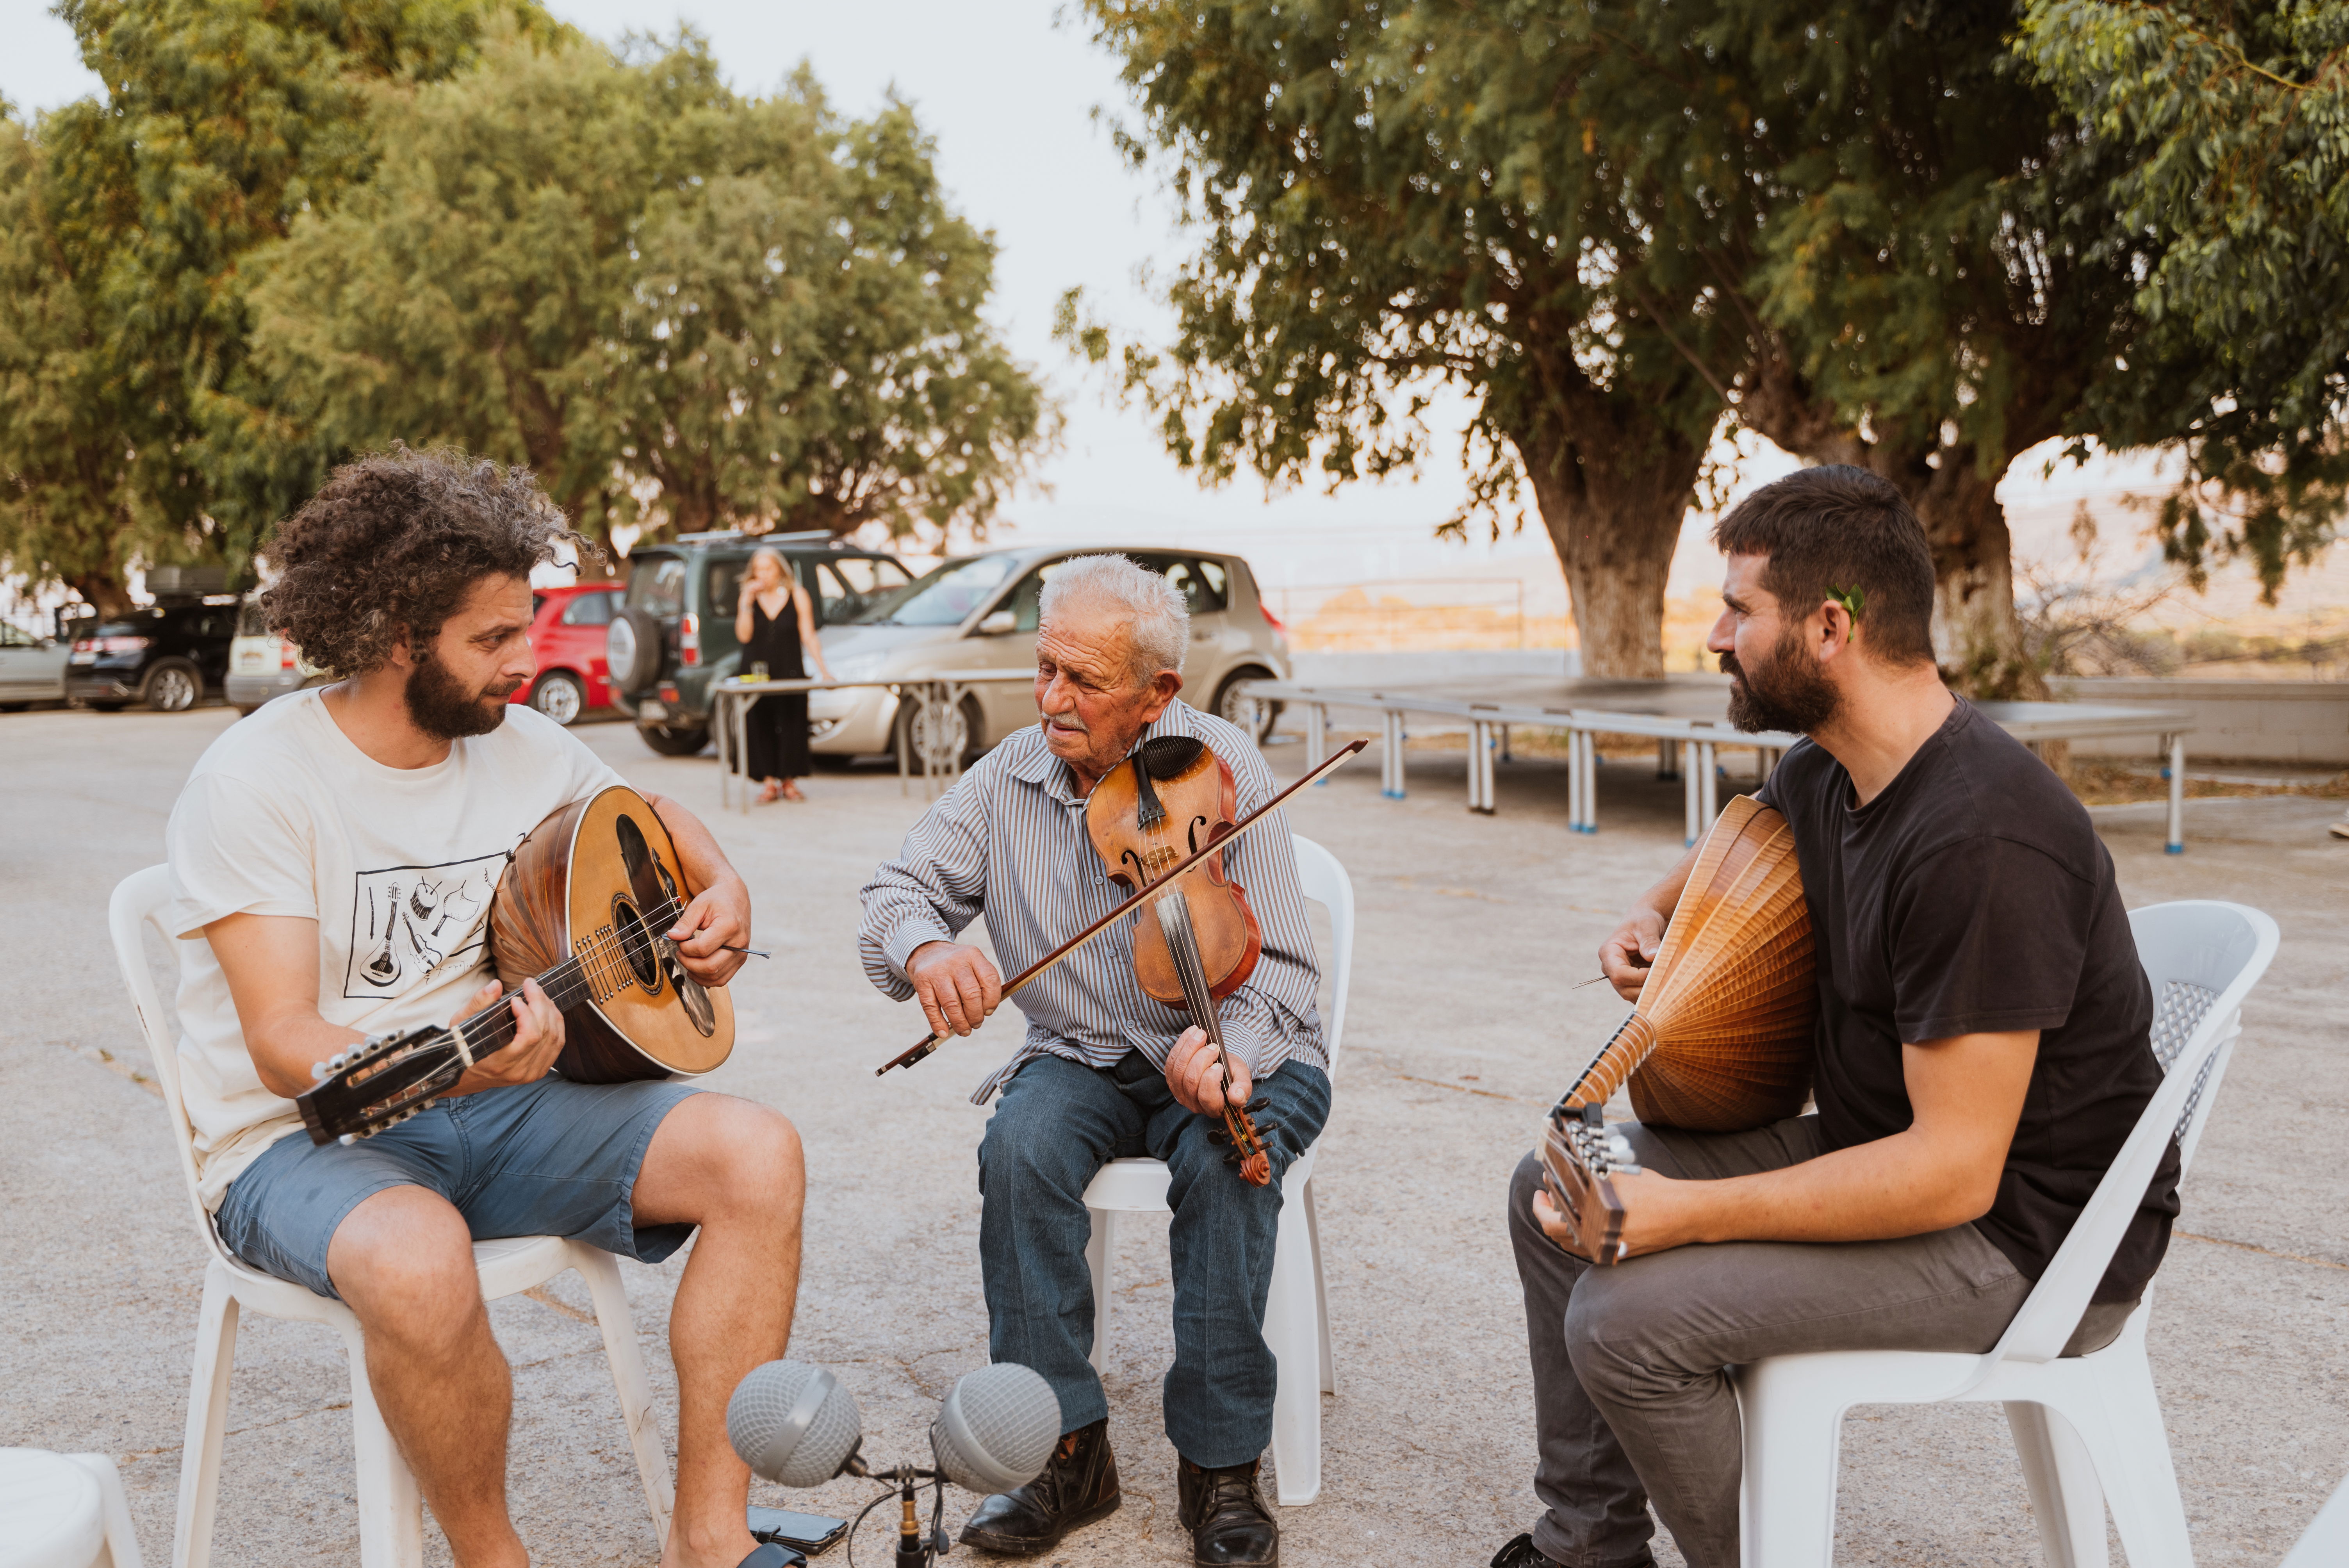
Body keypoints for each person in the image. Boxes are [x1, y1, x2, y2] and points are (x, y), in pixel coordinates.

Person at [1492, 465, 2178, 1568]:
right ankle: (1593, 1549)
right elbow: (1743, 831)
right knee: (1550, 1188)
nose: (1715, 635)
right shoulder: (1833, 768)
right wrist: (1648, 913)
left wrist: (1689, 1214)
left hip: (2019, 1240)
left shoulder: (1981, 839)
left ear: (1828, 627)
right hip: (1886, 1155)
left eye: (1738, 609)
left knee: (1624, 1324)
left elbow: (1953, 1173)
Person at [168, 448, 806, 1568]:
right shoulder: (257, 779)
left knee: (757, 1154)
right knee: (418, 1262)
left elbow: (644, 807)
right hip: (302, 1143)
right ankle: (491, 1558)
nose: (529, 661)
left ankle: (711, 1538)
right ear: (395, 637)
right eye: (494, 640)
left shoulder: (522, 747)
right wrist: (457, 1062)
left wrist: (723, 886)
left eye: (528, 627)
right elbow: (284, 1046)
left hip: (502, 1106)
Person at [857, 555, 1328, 1566]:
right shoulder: (1007, 778)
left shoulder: (1226, 767)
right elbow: (892, 896)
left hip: (1244, 1047)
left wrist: (1228, 1054)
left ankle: (1220, 1465)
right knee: (1018, 1151)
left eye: (1083, 681)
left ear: (1160, 692)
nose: (1051, 700)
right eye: (1044, 670)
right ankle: (1065, 1448)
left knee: (1221, 1164)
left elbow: (1287, 969)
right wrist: (926, 949)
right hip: (1080, 1052)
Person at [733, 547, 832, 803]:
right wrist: (746, 603)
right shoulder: (749, 598)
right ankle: (768, 782)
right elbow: (744, 636)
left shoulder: (797, 595)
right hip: (756, 671)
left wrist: (824, 670)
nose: (763, 574)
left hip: (789, 667)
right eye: (759, 569)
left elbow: (808, 635)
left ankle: (789, 780)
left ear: (780, 569)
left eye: (768, 568)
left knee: (792, 723)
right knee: (759, 723)